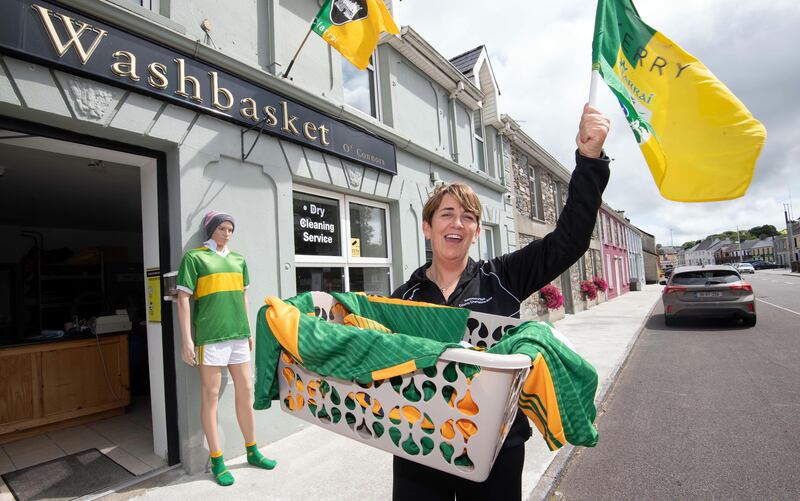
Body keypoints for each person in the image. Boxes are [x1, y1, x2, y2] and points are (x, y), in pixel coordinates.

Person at [390, 104, 611, 500]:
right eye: (447, 214)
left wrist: (589, 160)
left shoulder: (503, 277)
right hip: (419, 444)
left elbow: (570, 239)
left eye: (468, 217)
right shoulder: (403, 298)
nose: (457, 223)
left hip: (496, 444)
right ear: (428, 227)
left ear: (476, 231)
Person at [176, 211, 277, 486]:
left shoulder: (238, 260)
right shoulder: (195, 258)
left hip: (238, 336)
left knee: (244, 391)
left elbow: (244, 295)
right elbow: (183, 299)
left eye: (231, 229)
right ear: (211, 229)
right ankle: (218, 460)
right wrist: (187, 339)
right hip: (209, 338)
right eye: (222, 228)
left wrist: (247, 331)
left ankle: (252, 450)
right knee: (210, 396)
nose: (227, 233)